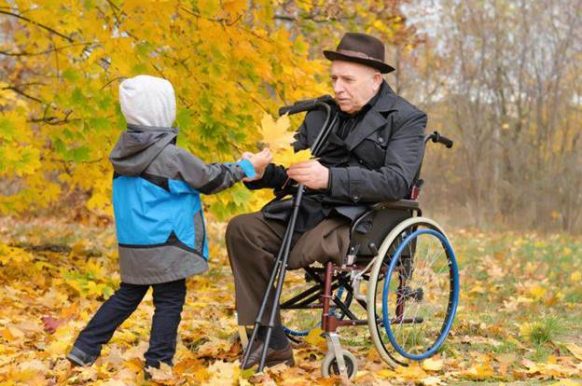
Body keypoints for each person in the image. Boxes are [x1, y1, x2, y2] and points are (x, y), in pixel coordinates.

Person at [226, 32, 427, 369]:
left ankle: (268, 335)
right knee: (243, 230)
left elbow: (396, 181)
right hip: (308, 209)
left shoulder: (405, 118)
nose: (338, 87)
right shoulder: (321, 113)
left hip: (363, 217)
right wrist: (261, 174)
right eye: (334, 78)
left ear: (376, 80)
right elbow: (294, 169)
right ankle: (271, 339)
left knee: (298, 248)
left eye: (348, 79)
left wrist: (331, 178)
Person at [66, 75, 272, 373]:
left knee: (126, 295)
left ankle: (85, 347)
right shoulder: (169, 155)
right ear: (164, 109)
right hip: (168, 243)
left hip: (135, 244)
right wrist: (248, 167)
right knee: (169, 301)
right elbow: (210, 179)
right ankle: (158, 364)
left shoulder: (124, 153)